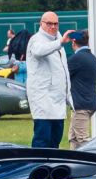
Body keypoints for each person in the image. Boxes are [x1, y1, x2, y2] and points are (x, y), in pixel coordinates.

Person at [25, 12, 72, 148]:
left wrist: (68, 94)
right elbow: (39, 51)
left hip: (58, 99)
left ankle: (52, 168)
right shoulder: (36, 39)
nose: (52, 26)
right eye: (49, 23)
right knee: (42, 139)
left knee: (55, 139)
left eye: (55, 23)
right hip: (42, 97)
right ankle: (37, 167)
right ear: (41, 24)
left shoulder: (58, 40)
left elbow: (64, 70)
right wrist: (60, 43)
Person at [66, 30, 96, 147]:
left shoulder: (77, 58)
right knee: (73, 138)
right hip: (88, 102)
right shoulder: (92, 57)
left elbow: (62, 75)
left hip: (81, 105)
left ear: (73, 42)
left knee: (83, 140)